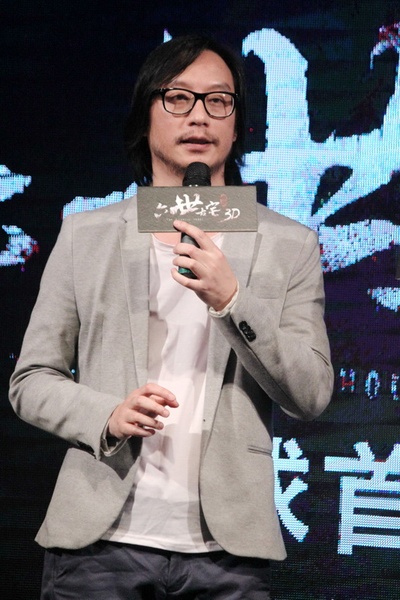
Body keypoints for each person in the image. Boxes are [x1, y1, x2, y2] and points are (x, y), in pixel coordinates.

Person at [9, 34, 334, 599]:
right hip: (99, 544)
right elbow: (31, 380)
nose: (199, 116)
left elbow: (311, 394)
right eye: (178, 98)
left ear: (239, 125)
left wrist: (233, 301)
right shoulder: (87, 235)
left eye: (218, 101)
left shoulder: (290, 244)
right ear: (144, 118)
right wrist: (107, 414)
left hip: (228, 555)